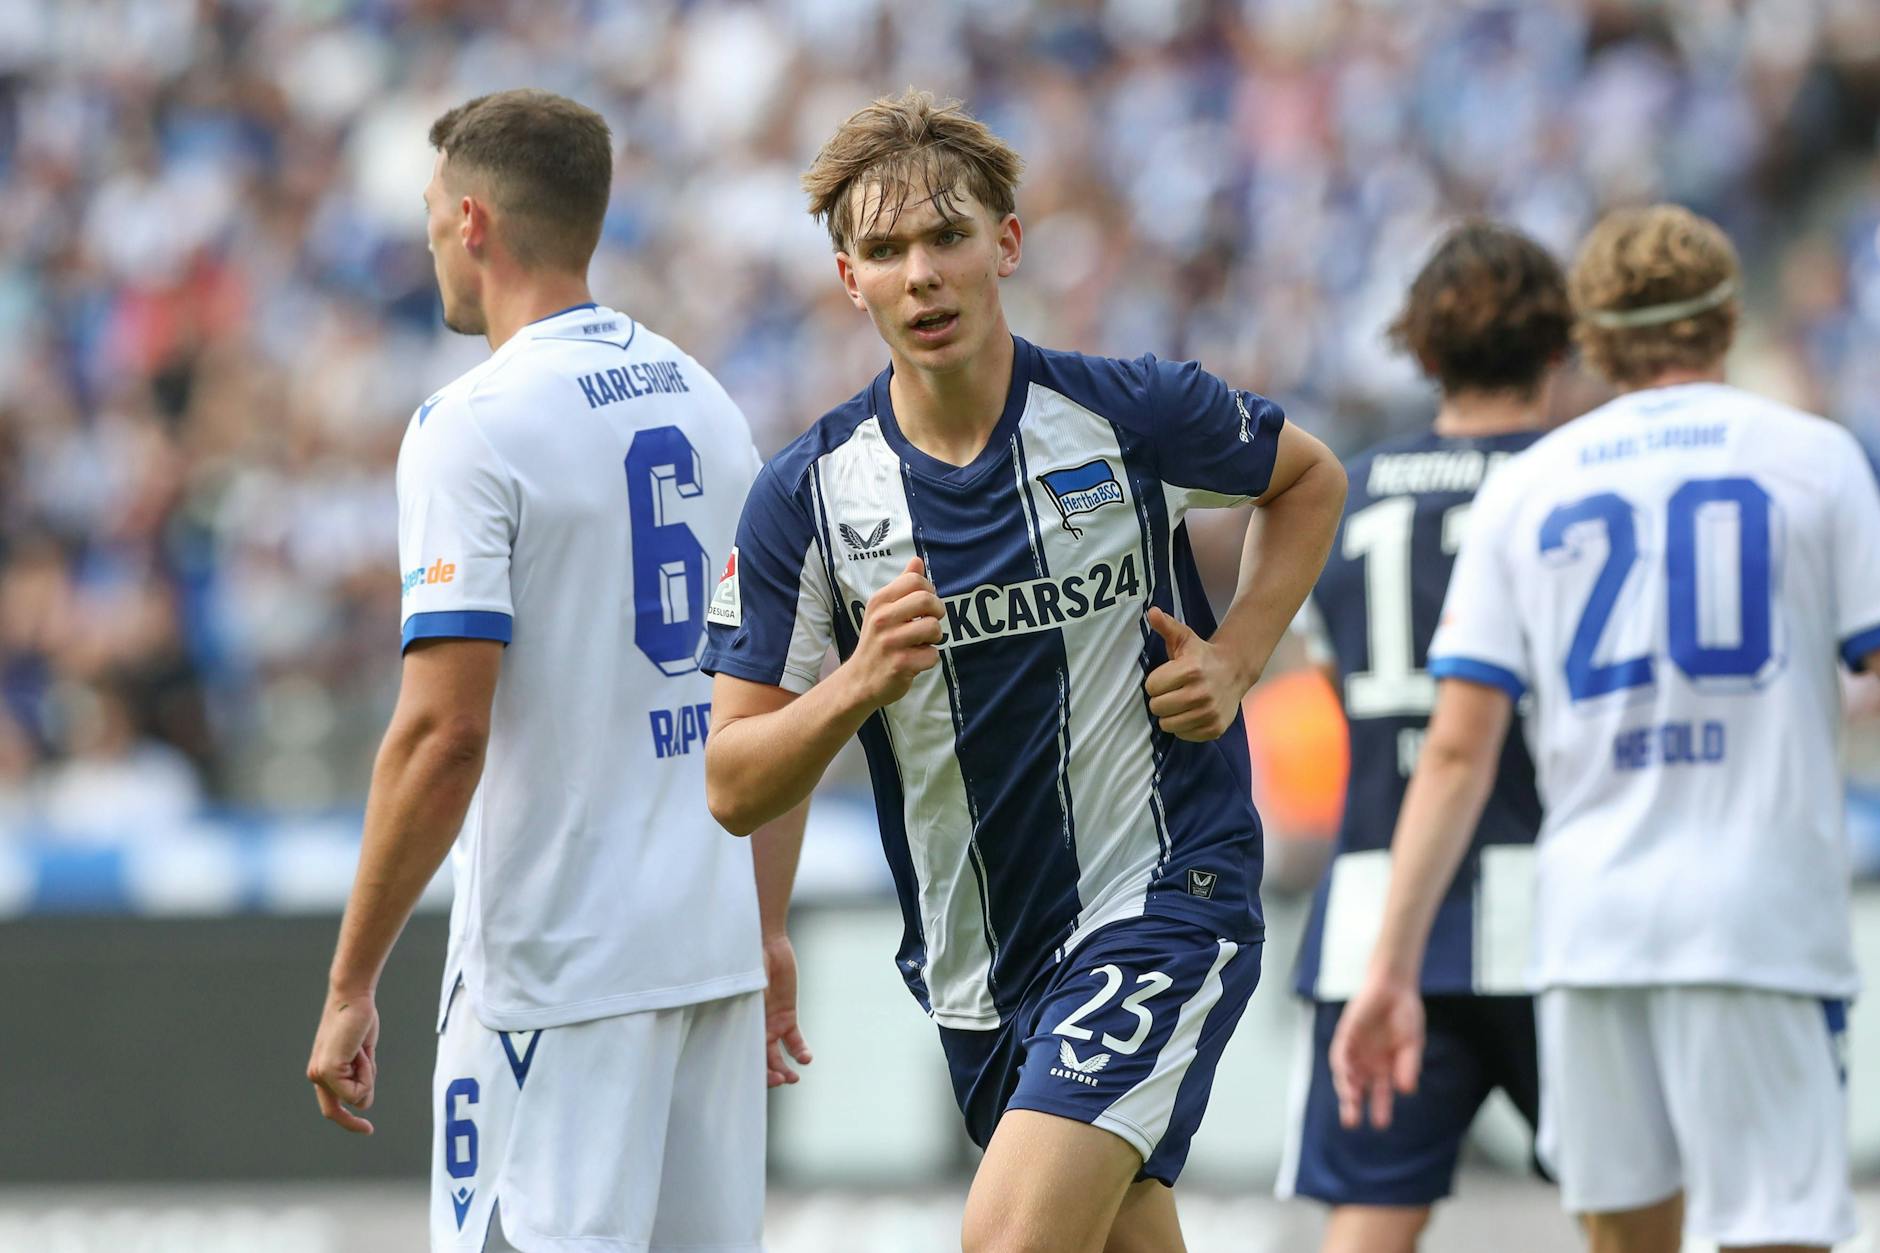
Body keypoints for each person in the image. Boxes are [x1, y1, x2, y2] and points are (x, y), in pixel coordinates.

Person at [701, 89, 1346, 1253]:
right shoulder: (806, 497)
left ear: (1003, 242)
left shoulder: (1125, 412)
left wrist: (1239, 652)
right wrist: (853, 684)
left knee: (1006, 1237)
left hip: (1159, 895)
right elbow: (734, 779)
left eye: (946, 237)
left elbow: (1307, 480)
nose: (921, 275)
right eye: (885, 250)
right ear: (848, 278)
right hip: (978, 957)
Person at [303, 89, 808, 1253]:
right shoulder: (709, 401)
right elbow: (768, 685)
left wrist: (349, 983)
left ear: (472, 220)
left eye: (432, 210)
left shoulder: (471, 425)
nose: (428, 235)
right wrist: (764, 924)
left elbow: (443, 735)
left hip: (558, 977)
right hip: (710, 959)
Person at [1332, 203, 1880, 1253]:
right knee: (1777, 1231)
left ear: (1591, 338)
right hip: (1757, 916)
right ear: (1725, 320)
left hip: (1587, 923)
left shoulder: (1530, 486)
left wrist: (1388, 967)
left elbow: (1455, 747)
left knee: (1628, 1240)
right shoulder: (1814, 459)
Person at [1277, 222, 1568, 1251]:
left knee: (1366, 1216)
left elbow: (1334, 675)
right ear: (1555, 344)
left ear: (1421, 347)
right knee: (1636, 1203)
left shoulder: (1345, 492)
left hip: (1374, 905)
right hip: (1556, 903)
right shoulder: (1574, 483)